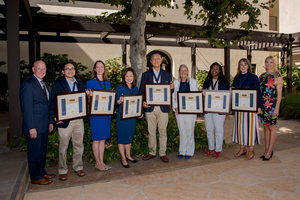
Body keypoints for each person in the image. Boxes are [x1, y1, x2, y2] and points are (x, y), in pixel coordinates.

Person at [19, 60, 55, 185]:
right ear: (33, 69)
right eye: (39, 68)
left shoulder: (44, 83)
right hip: (35, 126)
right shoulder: (28, 84)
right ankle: (35, 177)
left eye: (44, 69)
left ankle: (42, 172)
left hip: (44, 124)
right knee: (34, 152)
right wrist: (31, 127)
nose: (42, 71)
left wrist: (50, 122)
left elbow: (47, 105)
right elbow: (26, 108)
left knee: (41, 151)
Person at [50, 62, 86, 181]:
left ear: (75, 70)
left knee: (78, 145)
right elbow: (52, 102)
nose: (70, 71)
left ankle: (78, 166)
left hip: (78, 119)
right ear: (63, 71)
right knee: (63, 147)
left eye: (72, 68)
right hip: (65, 120)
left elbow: (84, 100)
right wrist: (56, 117)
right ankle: (62, 170)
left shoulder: (80, 83)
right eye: (67, 69)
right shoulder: (57, 83)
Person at [139, 52, 174, 163]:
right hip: (150, 108)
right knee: (151, 132)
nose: (156, 61)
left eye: (158, 59)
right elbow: (141, 90)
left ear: (161, 60)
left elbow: (170, 92)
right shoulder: (146, 75)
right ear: (150, 61)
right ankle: (152, 152)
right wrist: (143, 102)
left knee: (163, 131)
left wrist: (172, 88)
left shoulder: (167, 75)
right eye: (153, 59)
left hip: (163, 108)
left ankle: (162, 153)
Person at [232, 58, 262, 160]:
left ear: (248, 66)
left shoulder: (254, 77)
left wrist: (259, 106)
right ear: (239, 66)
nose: (243, 66)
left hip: (251, 108)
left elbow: (258, 92)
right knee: (240, 128)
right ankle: (242, 149)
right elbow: (234, 93)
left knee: (250, 129)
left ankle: (251, 150)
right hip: (239, 108)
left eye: (245, 64)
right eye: (241, 65)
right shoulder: (236, 78)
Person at [86, 60, 112, 171]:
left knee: (103, 140)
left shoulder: (108, 83)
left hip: (105, 114)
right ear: (95, 69)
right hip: (96, 115)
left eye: (102, 67)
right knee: (96, 139)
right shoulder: (90, 82)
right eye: (98, 67)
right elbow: (88, 100)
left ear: (104, 69)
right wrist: (89, 96)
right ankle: (97, 163)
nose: (100, 69)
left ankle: (102, 162)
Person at [202, 62, 230, 158]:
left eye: (217, 68)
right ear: (210, 70)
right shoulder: (207, 81)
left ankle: (218, 150)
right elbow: (203, 95)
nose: (214, 70)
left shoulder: (224, 82)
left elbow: (227, 96)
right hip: (208, 110)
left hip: (219, 111)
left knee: (218, 129)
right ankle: (211, 148)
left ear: (220, 71)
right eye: (212, 68)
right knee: (209, 129)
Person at [259, 56, 283, 161]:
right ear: (265, 63)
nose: (269, 64)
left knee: (272, 127)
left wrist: (277, 108)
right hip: (264, 106)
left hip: (272, 106)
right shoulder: (262, 76)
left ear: (274, 64)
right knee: (265, 127)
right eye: (267, 62)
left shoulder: (277, 75)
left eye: (271, 62)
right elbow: (259, 93)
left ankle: (269, 152)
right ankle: (266, 150)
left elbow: (279, 95)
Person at [172, 64, 198, 159]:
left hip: (190, 112)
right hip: (179, 111)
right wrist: (175, 107)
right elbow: (173, 97)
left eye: (185, 70)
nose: (183, 72)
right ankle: (182, 150)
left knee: (189, 131)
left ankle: (189, 151)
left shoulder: (193, 82)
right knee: (182, 131)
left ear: (187, 72)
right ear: (179, 72)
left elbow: (196, 97)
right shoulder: (175, 82)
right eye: (181, 70)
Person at [116, 68, 139, 168]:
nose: (129, 78)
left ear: (134, 77)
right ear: (124, 77)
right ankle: (123, 158)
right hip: (122, 117)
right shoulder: (119, 88)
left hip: (132, 117)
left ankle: (128, 155)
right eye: (127, 76)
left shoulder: (135, 89)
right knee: (122, 138)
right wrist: (119, 101)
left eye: (131, 76)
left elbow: (137, 103)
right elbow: (115, 102)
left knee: (129, 137)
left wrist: (139, 113)